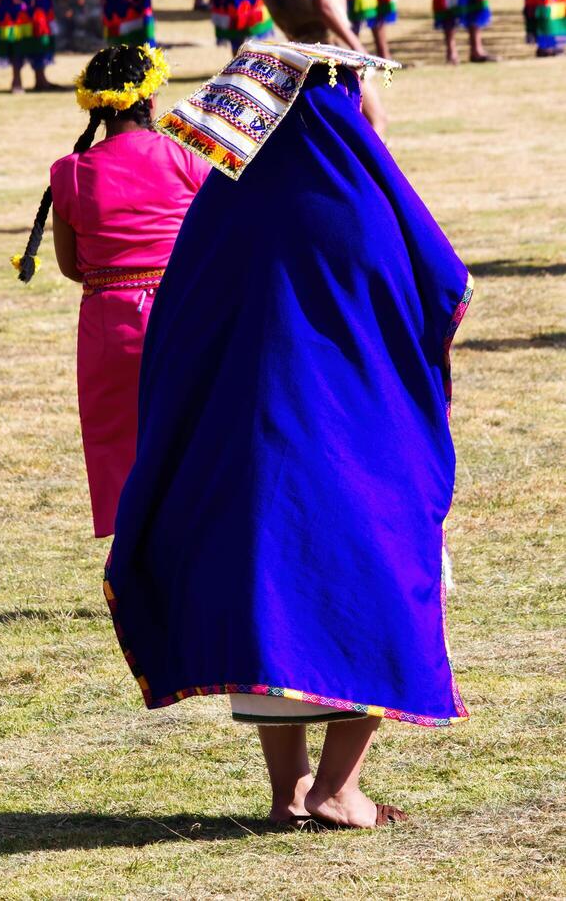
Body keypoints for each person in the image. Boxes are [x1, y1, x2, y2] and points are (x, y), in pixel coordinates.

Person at [105, 41, 473, 829]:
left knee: (270, 597)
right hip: (359, 440)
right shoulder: (365, 193)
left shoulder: (223, 202)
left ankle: (286, 792)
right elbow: (444, 284)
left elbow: (176, 321)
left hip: (250, 449)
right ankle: (339, 789)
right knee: (373, 585)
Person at [12, 45, 210, 538]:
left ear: (95, 106)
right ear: (151, 98)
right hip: (181, 316)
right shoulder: (186, 154)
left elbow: (69, 266)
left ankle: (133, 568)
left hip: (107, 329)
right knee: (192, 439)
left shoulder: (70, 173)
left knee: (119, 450)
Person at [258, 0, 387, 133]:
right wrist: (357, 48)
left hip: (298, 49)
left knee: (329, 126)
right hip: (332, 46)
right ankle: (365, 167)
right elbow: (325, 6)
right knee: (375, 120)